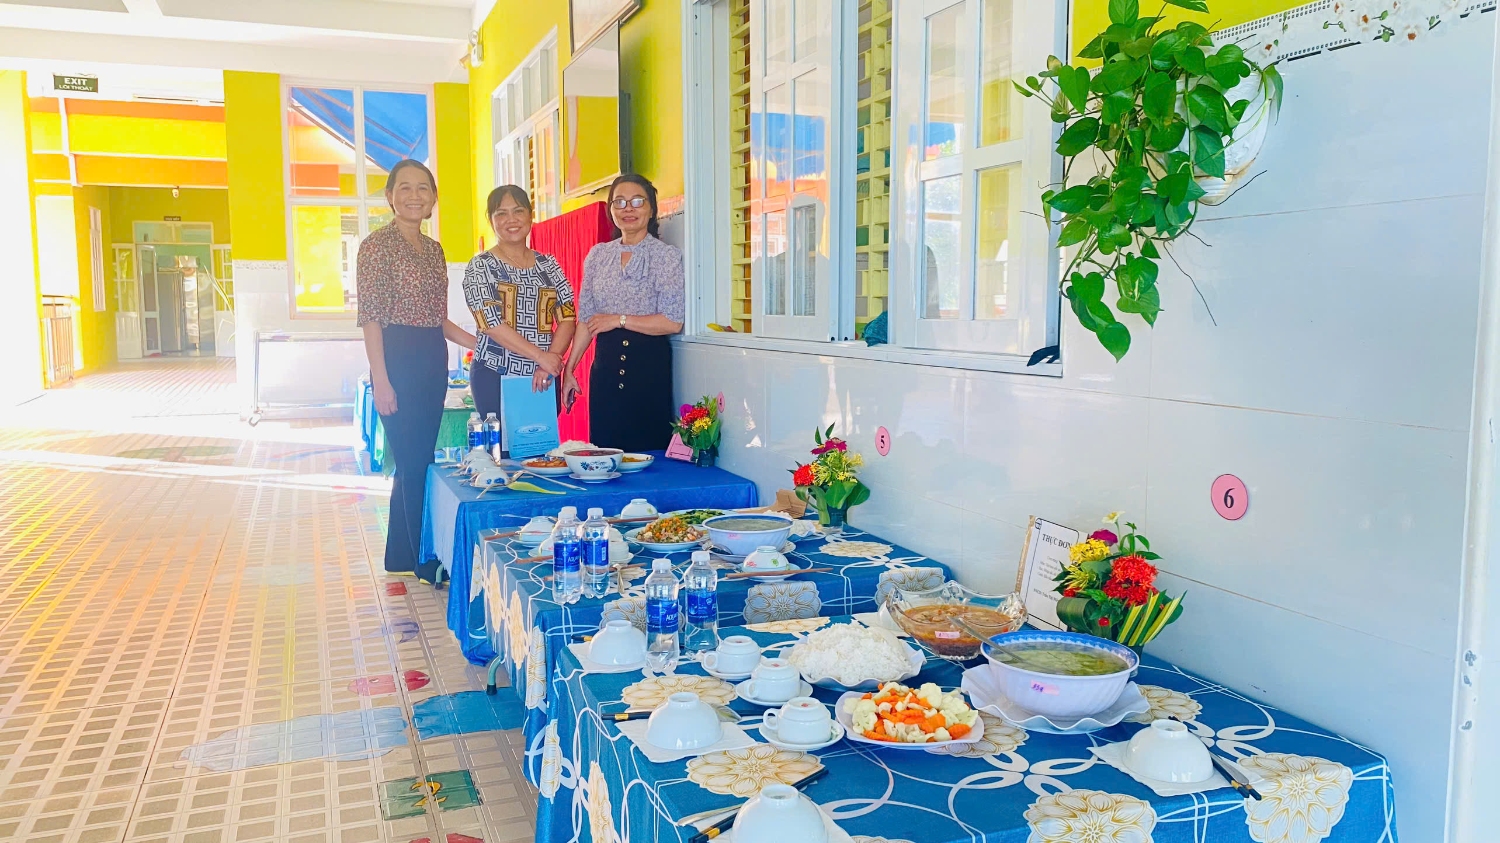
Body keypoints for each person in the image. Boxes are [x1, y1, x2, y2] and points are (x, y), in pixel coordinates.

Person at [358, 159, 476, 579]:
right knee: (413, 462)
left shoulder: (434, 250)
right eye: (404, 187)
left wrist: (479, 343)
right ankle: (426, 560)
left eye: (423, 188)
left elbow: (437, 318)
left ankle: (401, 556)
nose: (414, 195)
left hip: (431, 357)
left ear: (433, 199)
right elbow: (371, 318)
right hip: (397, 357)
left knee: (418, 459)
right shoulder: (375, 247)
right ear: (390, 196)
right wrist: (381, 379)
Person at [565, 174, 684, 452]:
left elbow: (672, 321)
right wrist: (570, 368)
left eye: (637, 201)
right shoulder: (598, 255)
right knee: (605, 455)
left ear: (651, 209)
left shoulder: (665, 256)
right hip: (605, 370)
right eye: (619, 202)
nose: (628, 208)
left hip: (647, 368)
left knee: (648, 454)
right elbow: (587, 319)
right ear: (611, 210)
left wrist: (618, 320)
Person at [463, 185, 577, 434]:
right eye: (501, 213)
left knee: (539, 447)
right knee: (502, 450)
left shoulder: (549, 265)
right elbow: (489, 323)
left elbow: (568, 316)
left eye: (518, 211)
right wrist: (540, 357)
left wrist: (549, 361)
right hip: (495, 373)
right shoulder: (481, 266)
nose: (511, 219)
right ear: (491, 220)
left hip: (543, 374)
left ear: (530, 215)